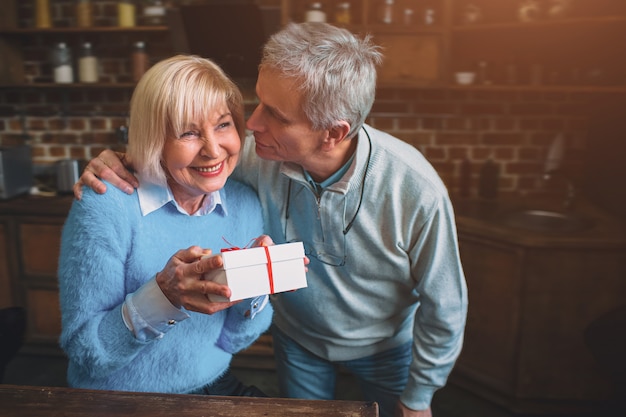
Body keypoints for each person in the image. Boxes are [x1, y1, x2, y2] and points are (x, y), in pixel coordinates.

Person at [74, 23, 468, 417]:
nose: (252, 123)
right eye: (257, 102)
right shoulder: (254, 156)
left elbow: (445, 305)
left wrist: (419, 398)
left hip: (386, 346)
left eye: (276, 115)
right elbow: (185, 153)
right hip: (299, 340)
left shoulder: (416, 190)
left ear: (333, 133)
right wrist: (121, 160)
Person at [58, 55, 275, 396]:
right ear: (154, 139)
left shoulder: (245, 203)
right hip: (120, 397)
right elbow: (88, 354)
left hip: (211, 386)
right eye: (188, 132)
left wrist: (255, 286)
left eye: (223, 124)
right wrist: (163, 296)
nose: (213, 150)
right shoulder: (106, 203)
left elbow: (233, 340)